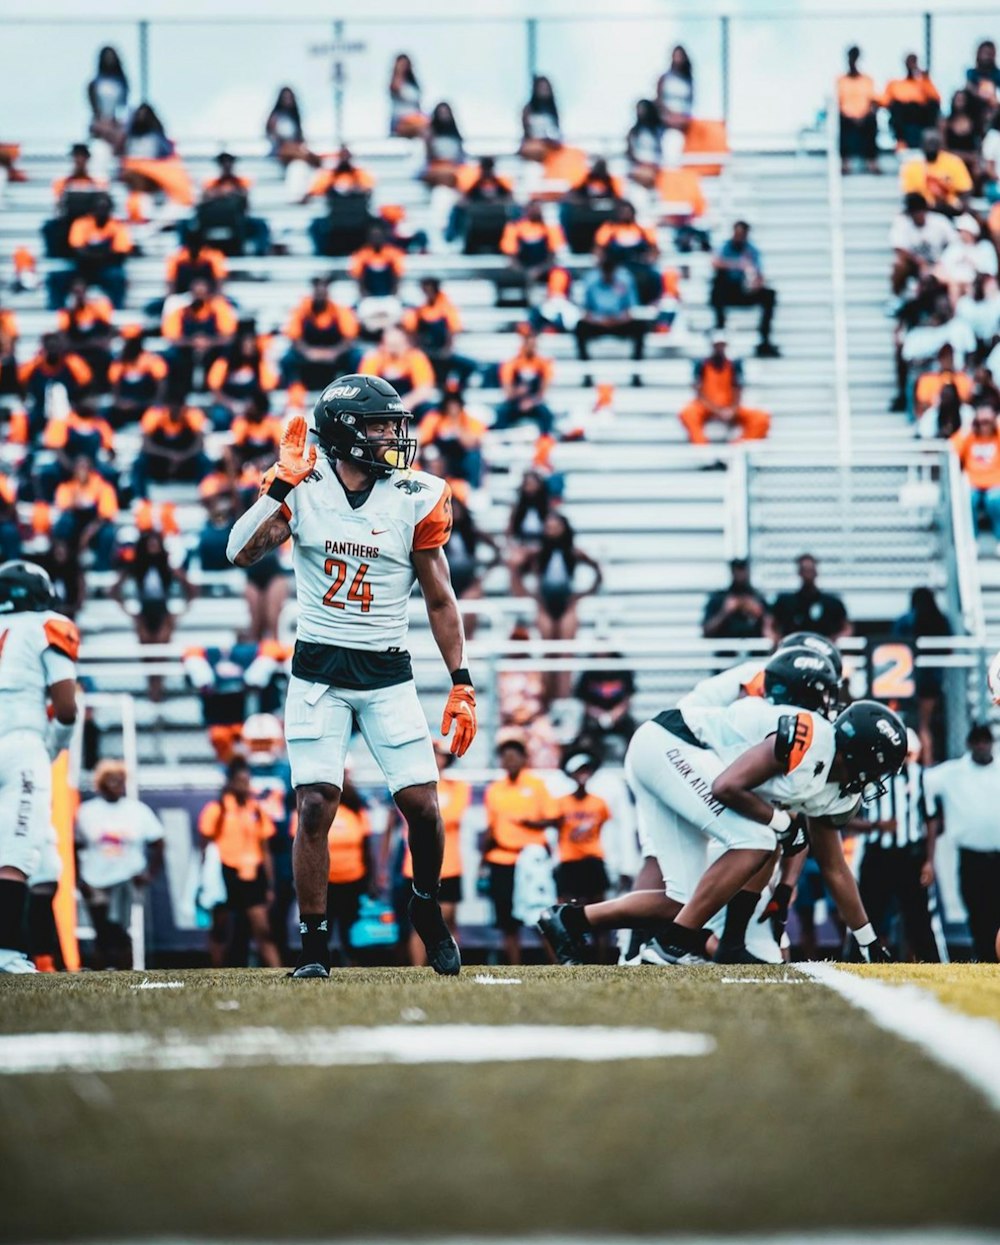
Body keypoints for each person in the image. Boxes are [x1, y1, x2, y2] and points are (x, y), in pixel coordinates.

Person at [227, 376, 478, 978]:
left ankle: (424, 906)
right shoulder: (303, 486)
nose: (393, 435)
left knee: (422, 805)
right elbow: (239, 552)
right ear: (343, 433)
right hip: (318, 671)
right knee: (315, 804)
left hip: (387, 670)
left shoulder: (416, 494)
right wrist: (278, 488)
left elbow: (441, 599)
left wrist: (461, 681)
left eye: (394, 424)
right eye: (379, 425)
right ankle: (313, 948)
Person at [539, 693, 904, 967]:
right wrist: (782, 823)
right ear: (859, 755)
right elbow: (726, 786)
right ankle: (671, 947)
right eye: (878, 767)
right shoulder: (810, 741)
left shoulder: (837, 790)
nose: (876, 779)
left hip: (678, 760)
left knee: (691, 899)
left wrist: (867, 940)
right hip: (670, 743)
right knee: (758, 839)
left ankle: (569, 920)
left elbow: (834, 868)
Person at [0, 562, 79, 974]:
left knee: (43, 856)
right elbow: (66, 709)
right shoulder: (48, 624)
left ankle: (43, 957)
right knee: (16, 851)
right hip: (22, 743)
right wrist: (51, 748)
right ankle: (8, 951)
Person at [850, 728, 943, 962]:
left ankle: (929, 963)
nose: (906, 761)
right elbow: (845, 819)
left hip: (910, 856)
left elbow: (932, 821)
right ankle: (857, 959)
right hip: (878, 854)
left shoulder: (923, 778)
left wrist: (929, 861)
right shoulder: (871, 776)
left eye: (911, 754)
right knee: (867, 913)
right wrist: (877, 826)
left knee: (919, 917)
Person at [74, 759, 164, 970]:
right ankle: (101, 976)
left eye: (119, 780)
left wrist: (150, 873)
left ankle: (125, 975)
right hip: (95, 877)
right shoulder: (87, 811)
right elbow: (75, 846)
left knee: (120, 929)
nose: (116, 785)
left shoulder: (137, 810)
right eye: (110, 781)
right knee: (102, 928)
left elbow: (159, 842)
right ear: (101, 784)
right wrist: (79, 879)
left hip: (126, 877)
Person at [925, 723, 1000, 962]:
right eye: (976, 741)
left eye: (985, 740)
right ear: (969, 744)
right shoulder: (953, 773)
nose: (981, 745)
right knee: (978, 913)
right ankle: (985, 958)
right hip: (971, 857)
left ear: (991, 743)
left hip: (998, 856)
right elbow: (924, 778)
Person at [483, 734, 560, 965]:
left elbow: (554, 818)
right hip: (501, 858)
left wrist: (531, 824)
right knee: (507, 920)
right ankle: (514, 966)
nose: (510, 761)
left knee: (540, 916)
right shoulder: (495, 789)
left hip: (530, 858)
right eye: (505, 756)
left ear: (524, 758)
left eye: (514, 755)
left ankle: (557, 963)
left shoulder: (537, 785)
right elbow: (491, 827)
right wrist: (482, 861)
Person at [198, 757, 282, 968]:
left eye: (247, 781)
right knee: (221, 929)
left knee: (263, 929)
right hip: (226, 874)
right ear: (230, 782)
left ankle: (277, 971)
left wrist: (270, 883)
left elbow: (265, 849)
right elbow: (205, 846)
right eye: (240, 781)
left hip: (252, 874)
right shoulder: (217, 809)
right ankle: (217, 972)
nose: (245, 786)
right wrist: (204, 882)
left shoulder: (256, 810)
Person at [513, 512, 603, 701]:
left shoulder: (574, 552)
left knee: (565, 653)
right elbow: (517, 571)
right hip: (545, 605)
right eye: (549, 527)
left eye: (556, 527)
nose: (552, 531)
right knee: (548, 652)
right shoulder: (537, 554)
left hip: (567, 605)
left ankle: (563, 697)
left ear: (564, 529)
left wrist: (582, 594)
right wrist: (530, 595)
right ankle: (547, 697)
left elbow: (597, 570)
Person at [399, 741, 469, 965]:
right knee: (418, 921)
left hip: (450, 864)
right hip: (415, 864)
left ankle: (450, 962)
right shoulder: (409, 787)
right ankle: (418, 967)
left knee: (448, 918)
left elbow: (449, 816)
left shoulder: (458, 787)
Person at [111, 529, 194, 702]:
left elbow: (192, 589)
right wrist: (130, 613)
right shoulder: (136, 565)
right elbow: (114, 590)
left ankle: (159, 690)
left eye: (155, 544)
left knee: (160, 653)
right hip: (145, 613)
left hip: (163, 612)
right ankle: (152, 690)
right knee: (148, 654)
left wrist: (180, 612)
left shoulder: (168, 565)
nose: (153, 547)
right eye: (150, 544)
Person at [678, 332, 771, 446]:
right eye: (717, 345)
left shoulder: (734, 365)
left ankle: (740, 446)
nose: (719, 348)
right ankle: (702, 449)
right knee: (688, 413)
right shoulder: (701, 364)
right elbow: (698, 392)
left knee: (760, 417)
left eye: (722, 345)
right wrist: (717, 410)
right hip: (706, 406)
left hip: (730, 406)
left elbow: (738, 389)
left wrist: (732, 409)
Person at [324, 771, 376, 966]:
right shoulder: (322, 811)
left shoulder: (357, 813)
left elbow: (367, 850)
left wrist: (371, 881)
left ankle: (354, 966)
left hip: (353, 881)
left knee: (351, 931)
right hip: (326, 883)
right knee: (324, 930)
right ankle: (321, 964)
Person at [555, 753, 611, 920]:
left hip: (592, 859)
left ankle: (599, 947)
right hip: (570, 860)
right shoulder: (562, 803)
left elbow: (602, 829)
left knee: (598, 908)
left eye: (586, 770)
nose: (583, 775)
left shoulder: (599, 803)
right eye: (579, 771)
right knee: (570, 907)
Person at [710, 222, 779, 357]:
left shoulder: (752, 250)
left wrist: (755, 283)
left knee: (769, 295)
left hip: (745, 290)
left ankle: (764, 341)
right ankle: (719, 338)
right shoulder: (725, 247)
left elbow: (759, 274)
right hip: (727, 290)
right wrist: (737, 265)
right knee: (717, 291)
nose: (739, 237)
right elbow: (715, 262)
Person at [282, 278, 361, 391]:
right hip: (307, 355)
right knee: (287, 360)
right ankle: (295, 396)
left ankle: (351, 391)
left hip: (334, 355)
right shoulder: (300, 311)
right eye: (317, 291)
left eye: (323, 292)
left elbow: (349, 339)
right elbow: (294, 338)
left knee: (355, 357)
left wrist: (333, 353)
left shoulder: (340, 310)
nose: (320, 295)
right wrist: (309, 352)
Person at [162, 276, 238, 393]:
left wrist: (208, 342)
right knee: (171, 355)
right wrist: (193, 342)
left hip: (213, 350)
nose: (199, 296)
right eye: (196, 293)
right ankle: (178, 390)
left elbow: (229, 336)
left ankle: (215, 387)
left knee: (228, 353)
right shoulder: (180, 311)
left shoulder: (218, 308)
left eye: (202, 293)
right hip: (186, 350)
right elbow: (172, 338)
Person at [61, 192, 132, 309]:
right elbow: (77, 249)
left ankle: (117, 308)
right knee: (60, 278)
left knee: (118, 277)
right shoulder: (81, 224)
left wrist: (91, 253)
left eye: (105, 208)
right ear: (92, 209)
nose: (102, 211)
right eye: (99, 208)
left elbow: (121, 252)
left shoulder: (118, 226)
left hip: (107, 268)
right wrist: (104, 254)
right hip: (84, 268)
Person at [574, 254, 648, 364]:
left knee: (640, 326)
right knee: (580, 327)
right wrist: (600, 320)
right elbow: (586, 311)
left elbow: (630, 309)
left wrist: (617, 320)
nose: (608, 274)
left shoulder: (625, 280)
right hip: (598, 323)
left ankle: (637, 367)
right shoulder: (590, 281)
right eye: (605, 270)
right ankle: (585, 368)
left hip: (619, 322)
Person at [402, 279, 474, 391]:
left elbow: (453, 329)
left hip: (442, 352)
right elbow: (411, 331)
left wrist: (446, 350)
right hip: (426, 352)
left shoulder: (447, 308)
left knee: (468, 365)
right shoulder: (419, 311)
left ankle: (457, 389)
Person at [132, 397, 212, 497]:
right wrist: (169, 455)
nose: (175, 409)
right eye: (172, 405)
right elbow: (146, 446)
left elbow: (199, 445)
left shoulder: (193, 415)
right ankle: (140, 499)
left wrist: (182, 456)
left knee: (205, 461)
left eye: (178, 405)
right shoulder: (154, 415)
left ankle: (207, 496)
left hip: (186, 462)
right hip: (161, 462)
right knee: (139, 462)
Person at [51, 456, 118, 570]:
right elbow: (63, 506)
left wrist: (87, 534)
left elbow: (106, 515)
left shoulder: (103, 487)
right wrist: (76, 498)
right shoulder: (67, 486)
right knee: (63, 522)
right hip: (74, 525)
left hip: (95, 527)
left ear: (91, 469)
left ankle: (102, 568)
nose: (82, 470)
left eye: (85, 467)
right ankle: (63, 563)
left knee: (108, 532)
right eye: (79, 467)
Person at [206, 332, 279, 432]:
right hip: (228, 403)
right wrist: (231, 405)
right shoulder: (224, 362)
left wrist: (250, 406)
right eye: (246, 346)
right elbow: (215, 389)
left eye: (252, 345)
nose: (250, 348)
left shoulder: (259, 364)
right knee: (220, 417)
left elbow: (266, 388)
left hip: (251, 405)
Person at [359, 327, 437, 420]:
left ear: (405, 343)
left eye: (397, 345)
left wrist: (406, 403)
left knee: (431, 409)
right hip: (380, 402)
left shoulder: (416, 357)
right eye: (390, 344)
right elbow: (365, 386)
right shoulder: (373, 357)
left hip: (409, 401)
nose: (393, 349)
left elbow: (424, 388)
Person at [770, 554, 851, 641]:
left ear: (816, 572)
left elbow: (847, 628)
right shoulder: (785, 602)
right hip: (793, 649)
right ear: (799, 572)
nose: (807, 574)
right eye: (805, 570)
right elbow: (769, 625)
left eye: (810, 570)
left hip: (823, 650)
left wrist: (836, 640)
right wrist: (776, 640)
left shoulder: (832, 603)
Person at [950, 399, 1000, 538]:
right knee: (968, 500)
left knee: (995, 500)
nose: (984, 426)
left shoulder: (997, 436)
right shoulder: (970, 437)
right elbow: (953, 448)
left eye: (987, 421)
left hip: (996, 482)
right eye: (980, 422)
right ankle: (971, 539)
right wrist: (968, 428)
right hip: (972, 482)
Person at [890, 193, 957, 296]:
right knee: (898, 265)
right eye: (914, 213)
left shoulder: (939, 222)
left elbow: (955, 243)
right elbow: (898, 248)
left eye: (919, 212)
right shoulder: (902, 222)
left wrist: (943, 260)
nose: (917, 216)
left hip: (939, 262)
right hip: (914, 265)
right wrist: (919, 262)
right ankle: (897, 295)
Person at [494, 328, 556, 437]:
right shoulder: (512, 363)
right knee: (501, 413)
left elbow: (543, 392)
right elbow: (508, 392)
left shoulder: (543, 364)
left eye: (534, 344)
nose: (531, 347)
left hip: (534, 402)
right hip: (515, 402)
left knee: (547, 415)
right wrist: (519, 393)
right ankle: (501, 441)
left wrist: (531, 401)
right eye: (528, 343)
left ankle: (544, 441)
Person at [499, 203, 566, 300]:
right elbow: (511, 256)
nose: (536, 211)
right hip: (521, 269)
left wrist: (538, 270)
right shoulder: (514, 227)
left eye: (538, 209)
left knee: (560, 273)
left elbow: (553, 257)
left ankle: (555, 299)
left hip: (543, 269)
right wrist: (525, 272)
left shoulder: (551, 229)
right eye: (533, 208)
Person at [419, 394, 487, 488]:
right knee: (430, 452)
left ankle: (474, 488)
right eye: (450, 405)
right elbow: (424, 442)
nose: (453, 408)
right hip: (441, 455)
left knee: (474, 456)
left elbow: (475, 442)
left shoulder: (468, 419)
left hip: (460, 459)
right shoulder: (434, 418)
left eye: (456, 404)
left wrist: (458, 431)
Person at [900, 129, 973, 216]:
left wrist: (960, 206)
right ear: (921, 145)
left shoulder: (953, 162)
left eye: (934, 142)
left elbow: (965, 189)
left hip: (951, 209)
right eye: (928, 142)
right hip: (923, 213)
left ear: (940, 144)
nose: (931, 146)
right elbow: (910, 195)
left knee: (968, 224)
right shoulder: (912, 166)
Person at [107, 327, 168, 427]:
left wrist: (153, 403)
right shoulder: (119, 363)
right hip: (126, 405)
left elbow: (162, 384)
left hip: (147, 403)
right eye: (128, 341)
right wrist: (120, 402)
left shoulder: (151, 360)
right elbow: (114, 386)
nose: (130, 344)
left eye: (133, 341)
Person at [935, 214, 998, 308]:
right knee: (954, 284)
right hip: (954, 280)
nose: (961, 234)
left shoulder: (985, 247)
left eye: (963, 231)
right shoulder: (955, 247)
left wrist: (972, 263)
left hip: (977, 282)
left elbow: (991, 270)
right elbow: (941, 265)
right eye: (959, 231)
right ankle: (955, 314)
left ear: (971, 232)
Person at [702, 557, 770, 640]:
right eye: (737, 570)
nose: (740, 574)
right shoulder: (719, 598)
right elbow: (706, 631)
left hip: (756, 650)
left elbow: (774, 632)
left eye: (743, 569)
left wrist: (760, 614)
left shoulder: (758, 598)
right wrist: (725, 612)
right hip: (727, 649)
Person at [883, 54, 941, 150]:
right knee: (897, 107)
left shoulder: (923, 82)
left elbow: (935, 98)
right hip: (903, 114)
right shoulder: (895, 83)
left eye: (914, 62)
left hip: (920, 114)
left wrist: (925, 78)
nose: (912, 65)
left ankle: (929, 140)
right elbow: (885, 101)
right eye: (910, 62)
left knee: (932, 105)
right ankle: (901, 142)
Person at [837, 47, 880, 174]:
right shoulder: (841, 80)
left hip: (865, 117)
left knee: (872, 121)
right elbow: (838, 102)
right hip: (847, 117)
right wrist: (850, 116)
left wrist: (865, 114)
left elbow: (873, 101)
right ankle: (845, 163)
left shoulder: (867, 80)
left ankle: (872, 162)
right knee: (841, 122)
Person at [87, 46, 129, 150]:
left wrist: (117, 126)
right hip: (100, 125)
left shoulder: (122, 83)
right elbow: (94, 107)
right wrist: (102, 124)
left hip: (117, 125)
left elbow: (123, 105)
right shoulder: (95, 83)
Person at [656, 44, 694, 154]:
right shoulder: (664, 79)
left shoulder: (688, 81)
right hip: (666, 122)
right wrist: (670, 116)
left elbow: (690, 103)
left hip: (683, 123)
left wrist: (682, 119)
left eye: (680, 56)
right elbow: (659, 101)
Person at [265, 86, 315, 166]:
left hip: (295, 148)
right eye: (285, 97)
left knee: (312, 157)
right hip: (281, 150)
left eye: (289, 97)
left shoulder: (294, 117)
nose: (287, 100)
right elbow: (272, 136)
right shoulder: (275, 117)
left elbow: (300, 137)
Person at [422, 102, 465, 187]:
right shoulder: (430, 134)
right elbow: (427, 158)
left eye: (446, 112)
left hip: (454, 168)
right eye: (441, 113)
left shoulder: (455, 136)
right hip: (437, 168)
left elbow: (461, 158)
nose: (444, 115)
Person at [521, 75, 562, 161]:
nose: (544, 90)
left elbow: (556, 131)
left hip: (551, 149)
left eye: (546, 88)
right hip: (534, 149)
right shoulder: (528, 109)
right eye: (541, 88)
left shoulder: (553, 110)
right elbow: (527, 133)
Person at [626, 99, 665, 189]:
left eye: (642, 109)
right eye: (638, 109)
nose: (640, 112)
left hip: (656, 166)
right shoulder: (634, 131)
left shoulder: (660, 130)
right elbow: (630, 151)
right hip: (640, 165)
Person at [389, 54, 427, 138]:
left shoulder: (412, 84)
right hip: (401, 120)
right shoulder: (396, 82)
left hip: (415, 118)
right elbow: (396, 88)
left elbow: (417, 103)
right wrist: (399, 71)